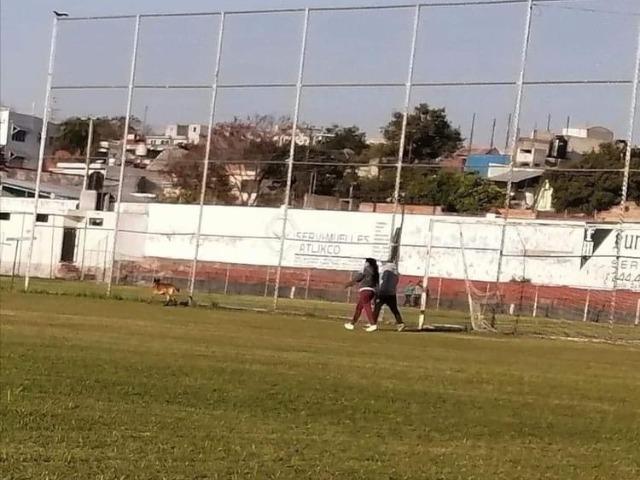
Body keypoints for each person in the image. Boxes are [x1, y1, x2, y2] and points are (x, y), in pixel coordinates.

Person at [344, 258, 379, 332]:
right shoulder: (375, 271)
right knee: (359, 307)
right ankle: (352, 324)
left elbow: (358, 278)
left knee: (367, 307)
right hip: (372, 291)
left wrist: (349, 284)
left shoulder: (366, 269)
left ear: (368, 263)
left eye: (365, 262)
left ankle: (373, 324)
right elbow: (377, 283)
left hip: (365, 290)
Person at [373, 262, 405, 331]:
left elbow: (384, 280)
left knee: (377, 308)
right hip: (392, 293)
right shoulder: (396, 273)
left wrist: (380, 291)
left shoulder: (387, 271)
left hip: (384, 293)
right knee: (394, 309)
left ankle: (373, 324)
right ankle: (400, 323)